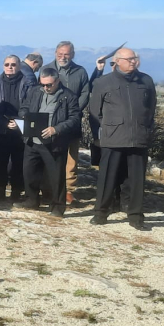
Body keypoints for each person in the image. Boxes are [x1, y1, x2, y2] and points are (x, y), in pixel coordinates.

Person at [89, 48, 156, 231]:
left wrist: (145, 128)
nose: (133, 61)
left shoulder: (146, 81)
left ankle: (135, 216)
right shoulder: (103, 82)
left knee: (137, 180)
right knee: (107, 177)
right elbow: (94, 112)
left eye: (135, 58)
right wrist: (102, 133)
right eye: (129, 59)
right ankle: (101, 213)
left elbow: (151, 109)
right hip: (113, 138)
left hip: (138, 138)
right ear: (117, 61)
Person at [18, 67, 82, 217]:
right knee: (29, 172)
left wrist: (56, 129)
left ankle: (58, 207)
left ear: (57, 81)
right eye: (43, 84)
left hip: (54, 142)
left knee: (56, 177)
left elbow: (74, 118)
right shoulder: (35, 91)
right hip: (32, 140)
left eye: (49, 85)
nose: (45, 88)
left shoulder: (68, 96)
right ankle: (31, 200)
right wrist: (25, 118)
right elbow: (24, 107)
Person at [48, 41, 91, 205]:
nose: (62, 57)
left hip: (72, 120)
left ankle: (68, 190)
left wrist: (73, 111)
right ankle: (49, 187)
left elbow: (85, 94)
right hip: (51, 120)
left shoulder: (80, 72)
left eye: (66, 54)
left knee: (71, 157)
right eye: (60, 54)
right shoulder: (48, 69)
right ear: (55, 53)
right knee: (49, 154)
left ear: (72, 55)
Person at [0, 55, 30, 201]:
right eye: (7, 64)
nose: (10, 67)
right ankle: (0, 188)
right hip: (1, 128)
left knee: (18, 161)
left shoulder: (29, 84)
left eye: (13, 64)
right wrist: (3, 122)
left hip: (21, 128)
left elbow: (30, 105)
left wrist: (19, 121)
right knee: (1, 161)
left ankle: (16, 189)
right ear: (3, 66)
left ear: (19, 66)